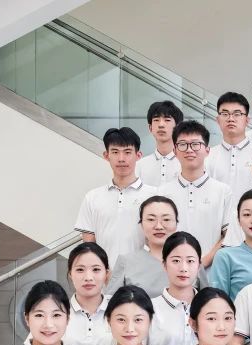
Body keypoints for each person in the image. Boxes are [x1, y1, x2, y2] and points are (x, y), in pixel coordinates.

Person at [75, 127, 157, 267]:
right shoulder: (92, 198)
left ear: (138, 155)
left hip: (142, 274)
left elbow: (160, 242)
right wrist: (102, 272)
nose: (121, 158)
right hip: (105, 275)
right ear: (106, 155)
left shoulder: (154, 195)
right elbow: (89, 247)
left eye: (127, 152)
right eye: (115, 152)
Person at [160, 120, 234, 269]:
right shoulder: (163, 192)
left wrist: (203, 262)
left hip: (210, 272)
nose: (189, 150)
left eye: (195, 144)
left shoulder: (223, 191)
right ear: (175, 151)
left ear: (207, 150)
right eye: (183, 144)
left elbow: (228, 235)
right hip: (172, 272)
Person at [108, 195, 212, 297]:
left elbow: (207, 302)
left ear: (176, 223)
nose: (158, 226)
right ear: (141, 224)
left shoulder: (191, 261)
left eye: (166, 219)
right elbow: (110, 303)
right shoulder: (126, 262)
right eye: (151, 219)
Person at [148, 232, 203, 345]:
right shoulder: (149, 309)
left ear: (199, 266)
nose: (183, 268)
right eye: (176, 261)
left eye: (190, 261)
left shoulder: (209, 307)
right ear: (164, 265)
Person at [63, 242, 113, 345]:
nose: (88, 277)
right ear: (70, 274)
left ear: (106, 273)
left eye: (96, 269)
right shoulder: (57, 311)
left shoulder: (119, 309)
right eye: (80, 269)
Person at [206, 92, 252, 203]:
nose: (231, 119)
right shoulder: (208, 155)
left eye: (237, 114)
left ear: (247, 120)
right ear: (218, 120)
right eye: (225, 114)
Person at [136, 100, 184, 187]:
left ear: (177, 127)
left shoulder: (186, 164)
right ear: (150, 128)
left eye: (167, 120)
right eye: (156, 120)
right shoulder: (139, 165)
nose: (161, 125)